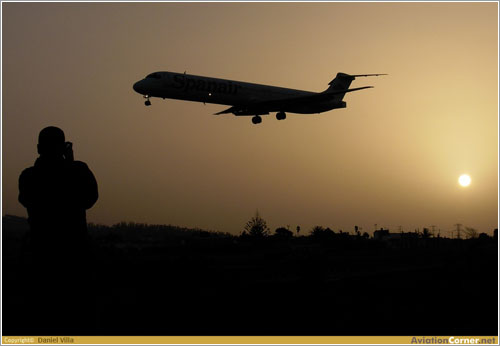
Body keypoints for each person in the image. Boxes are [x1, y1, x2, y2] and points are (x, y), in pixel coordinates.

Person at [18, 126, 98, 334]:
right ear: (64, 147)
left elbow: (26, 199)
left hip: (41, 254)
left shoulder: (28, 176)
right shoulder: (78, 171)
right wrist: (70, 165)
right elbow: (89, 198)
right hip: (74, 256)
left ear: (38, 148)